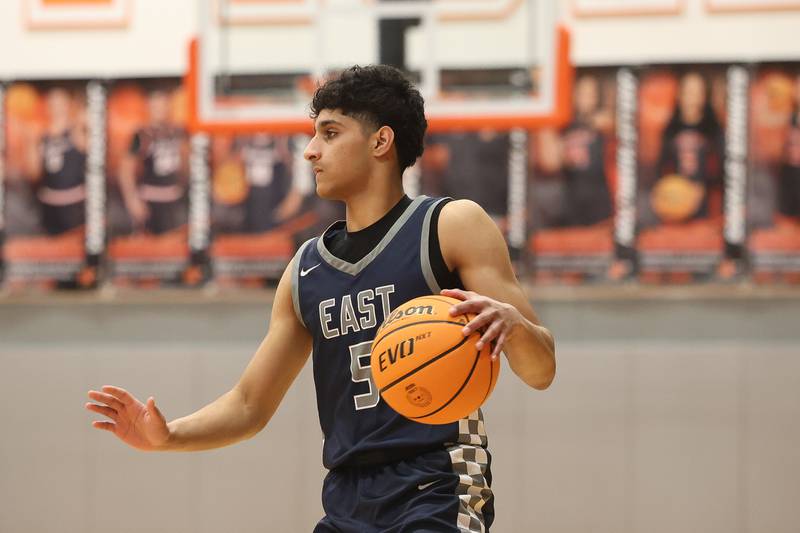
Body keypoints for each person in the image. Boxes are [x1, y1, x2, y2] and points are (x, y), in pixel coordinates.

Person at [86, 65, 556, 532]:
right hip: (347, 497)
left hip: (437, 481)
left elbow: (541, 370)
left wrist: (514, 324)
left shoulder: (450, 225)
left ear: (381, 142)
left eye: (330, 133)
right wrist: (167, 437)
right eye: (313, 135)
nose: (310, 151)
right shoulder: (305, 269)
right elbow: (250, 404)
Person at [118, 87, 188, 234]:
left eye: (163, 104)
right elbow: (125, 170)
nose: (160, 109)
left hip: (175, 200)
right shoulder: (141, 134)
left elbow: (186, 163)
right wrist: (132, 200)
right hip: (150, 201)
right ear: (148, 107)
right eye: (155, 105)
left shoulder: (178, 132)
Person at [26, 87, 87, 235]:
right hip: (48, 205)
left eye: (60, 102)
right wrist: (31, 144)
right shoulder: (41, 136)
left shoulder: (77, 131)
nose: (56, 107)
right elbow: (33, 174)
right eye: (52, 102)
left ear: (68, 104)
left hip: (74, 205)